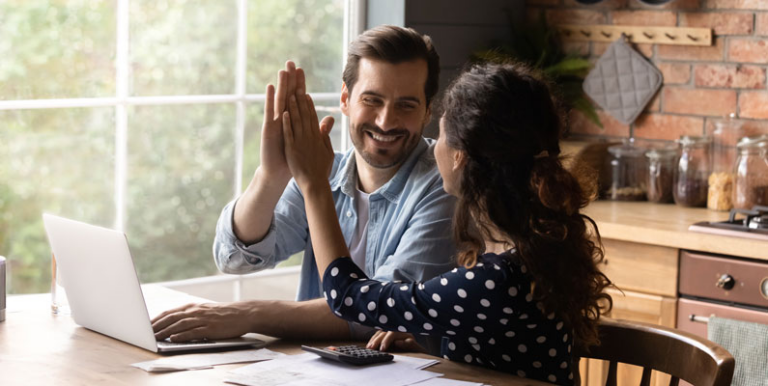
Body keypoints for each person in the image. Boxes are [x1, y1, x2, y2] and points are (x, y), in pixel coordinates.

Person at [279, 62, 613, 385]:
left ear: (459, 156)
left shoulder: (497, 280)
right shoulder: (525, 254)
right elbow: (504, 349)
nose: (433, 145)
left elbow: (346, 297)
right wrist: (434, 343)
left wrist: (315, 185)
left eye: (438, 134)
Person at [151, 25, 457, 342]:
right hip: (310, 367)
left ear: (427, 111)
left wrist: (249, 314)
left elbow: (381, 312)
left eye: (406, 105)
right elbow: (234, 258)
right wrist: (271, 176)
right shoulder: (324, 170)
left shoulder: (445, 185)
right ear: (345, 99)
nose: (385, 121)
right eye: (372, 100)